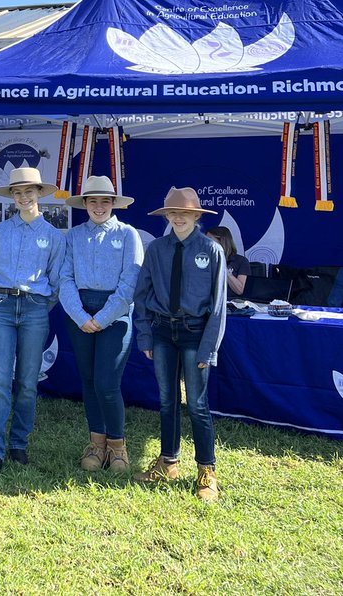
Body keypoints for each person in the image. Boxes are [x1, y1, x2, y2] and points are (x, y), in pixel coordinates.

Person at [132, 187, 227, 502]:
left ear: (197, 216)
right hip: (162, 333)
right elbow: (143, 294)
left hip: (195, 334)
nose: (177, 218)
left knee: (197, 404)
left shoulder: (211, 251)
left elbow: (218, 305)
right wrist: (145, 334)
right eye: (172, 213)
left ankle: (206, 472)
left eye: (184, 213)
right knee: (167, 400)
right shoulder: (157, 249)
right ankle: (168, 463)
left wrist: (208, 347)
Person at [0, 167, 66, 473]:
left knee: (28, 382)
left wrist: (39, 305)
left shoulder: (54, 236)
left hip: (34, 309)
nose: (24, 197)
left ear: (39, 194)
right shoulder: (1, 231)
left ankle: (18, 443)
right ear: (12, 196)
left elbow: (56, 281)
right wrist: (2, 296)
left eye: (29, 191)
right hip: (2, 307)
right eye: (18, 192)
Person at [60, 175, 143, 474]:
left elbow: (130, 282)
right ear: (84, 204)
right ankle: (96, 443)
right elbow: (64, 278)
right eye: (92, 201)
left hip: (116, 314)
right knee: (89, 382)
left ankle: (118, 447)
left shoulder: (128, 235)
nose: (98, 206)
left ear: (113, 203)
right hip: (79, 314)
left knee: (107, 384)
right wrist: (81, 317)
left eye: (104, 200)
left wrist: (103, 318)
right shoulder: (73, 236)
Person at [205, 226, 250, 297]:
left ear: (222, 241)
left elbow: (239, 290)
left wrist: (224, 269)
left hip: (230, 303)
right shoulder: (204, 260)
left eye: (209, 240)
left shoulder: (241, 261)